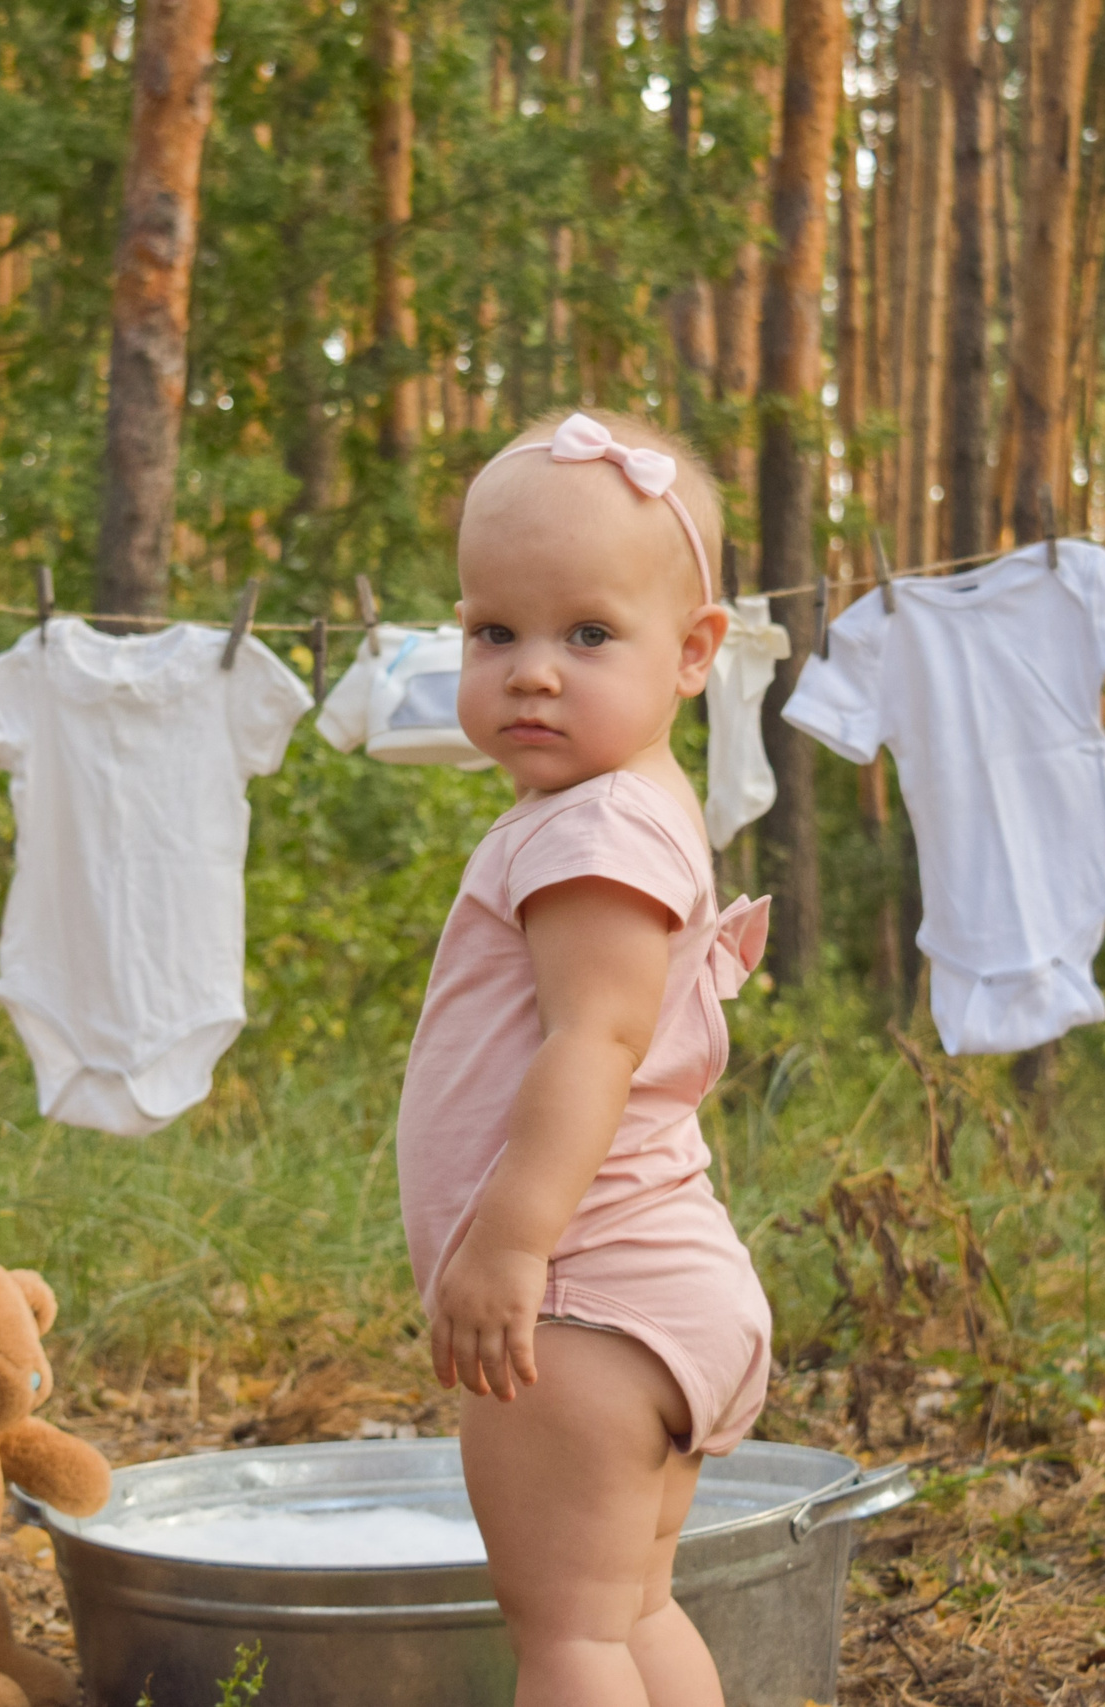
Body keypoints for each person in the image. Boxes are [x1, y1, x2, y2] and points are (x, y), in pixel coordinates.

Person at [397, 408, 774, 1707]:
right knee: (628, 1612)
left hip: (584, 1290)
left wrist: (508, 1246)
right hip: (656, 1288)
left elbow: (596, 1043)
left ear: (694, 652)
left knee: (565, 1637)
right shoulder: (629, 807)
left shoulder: (591, 834)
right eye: (495, 633)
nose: (533, 673)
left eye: (589, 635)